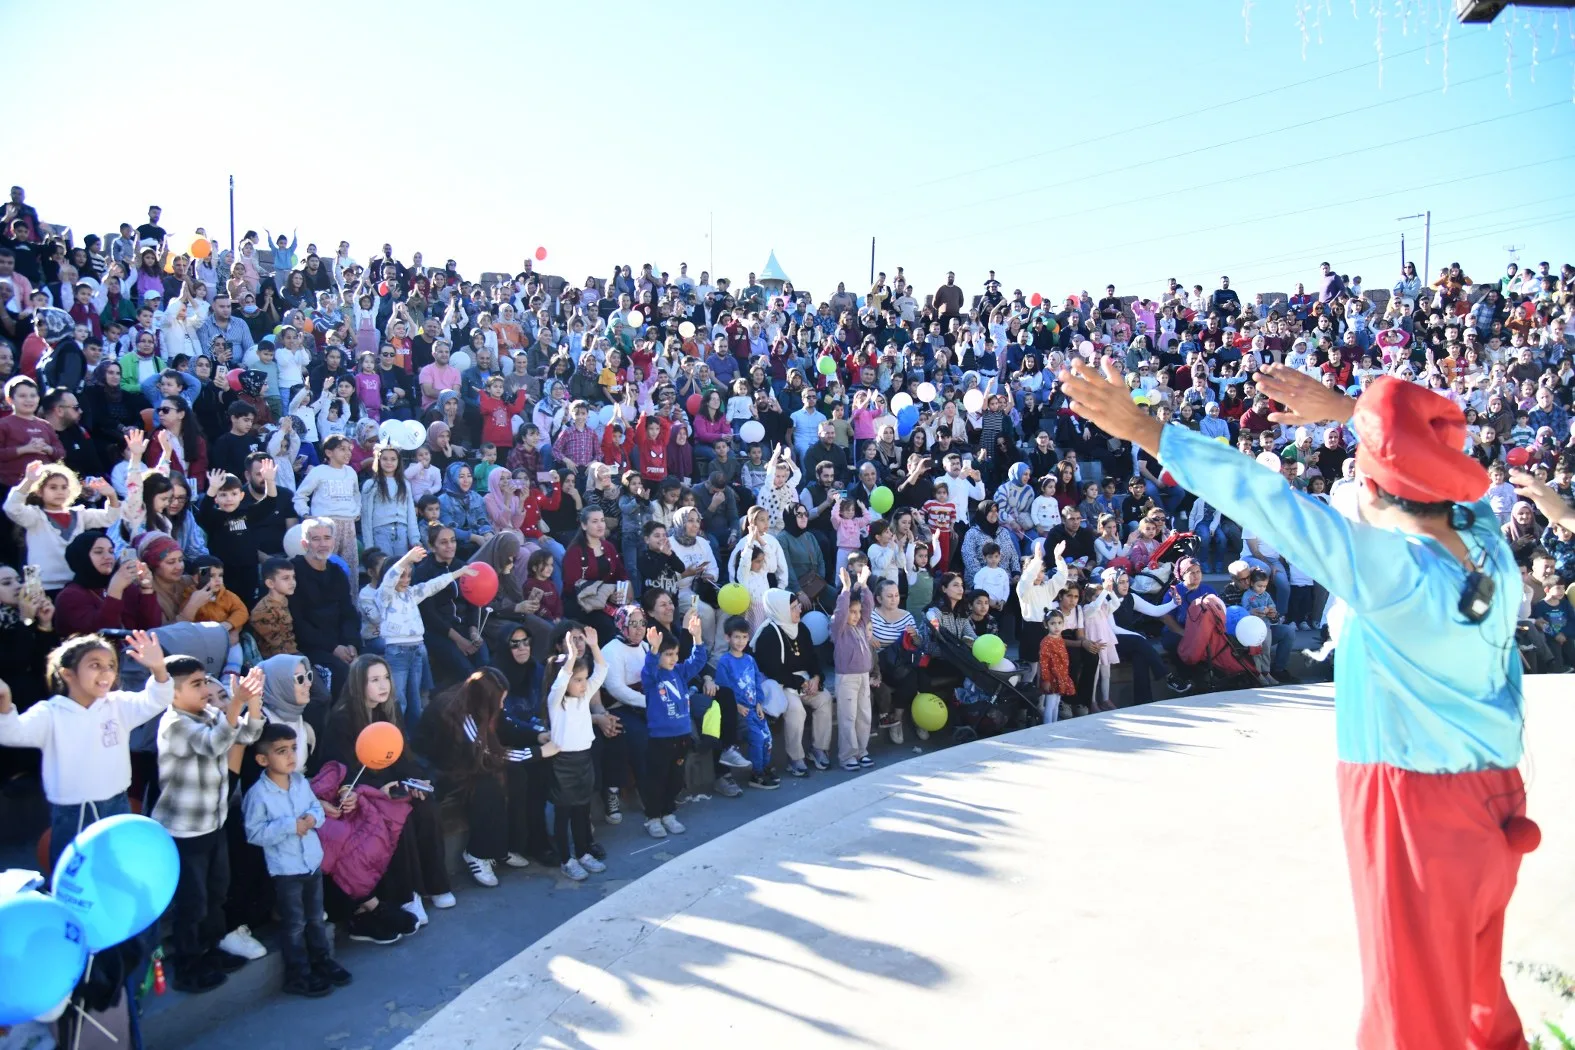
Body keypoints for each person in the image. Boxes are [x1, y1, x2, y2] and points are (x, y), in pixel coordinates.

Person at [1062, 359, 1536, 1049]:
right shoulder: (1487, 546)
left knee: (1412, 1017)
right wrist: (1354, 415)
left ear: (1371, 486)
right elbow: (1446, 481)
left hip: (1414, 811)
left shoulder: (1387, 572)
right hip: (1494, 799)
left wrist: (1143, 428)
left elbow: (1266, 500)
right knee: (1474, 998)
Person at [0, 630, 169, 865]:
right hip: (73, 812)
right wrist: (5, 703)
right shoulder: (50, 713)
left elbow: (157, 699)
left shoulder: (118, 704)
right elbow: (12, 733)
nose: (106, 672)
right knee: (74, 876)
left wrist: (158, 667)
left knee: (117, 868)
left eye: (111, 665)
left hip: (117, 805)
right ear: (67, 674)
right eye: (95, 665)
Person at [153, 663, 266, 993]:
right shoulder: (174, 724)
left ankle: (211, 949)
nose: (205, 690)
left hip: (213, 824)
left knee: (216, 891)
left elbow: (247, 734)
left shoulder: (210, 715)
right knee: (192, 902)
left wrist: (252, 700)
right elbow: (215, 744)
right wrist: (234, 703)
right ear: (173, 692)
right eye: (196, 684)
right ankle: (188, 966)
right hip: (185, 830)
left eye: (205, 682)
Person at [243, 722, 354, 998]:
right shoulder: (259, 795)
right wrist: (290, 826)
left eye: (293, 748)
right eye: (282, 751)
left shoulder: (301, 782)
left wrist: (313, 818)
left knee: (316, 917)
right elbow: (254, 833)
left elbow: (316, 807)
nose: (291, 756)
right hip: (286, 869)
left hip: (311, 863)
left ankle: (321, 960)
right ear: (262, 759)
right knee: (294, 924)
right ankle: (298, 974)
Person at [637, 606, 709, 838]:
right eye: (667, 655)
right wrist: (654, 650)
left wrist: (697, 637)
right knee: (656, 779)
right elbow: (648, 669)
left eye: (675, 654)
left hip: (681, 736)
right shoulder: (653, 676)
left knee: (674, 779)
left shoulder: (679, 671)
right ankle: (653, 817)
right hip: (660, 739)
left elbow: (698, 661)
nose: (673, 659)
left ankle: (668, 812)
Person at [544, 625, 608, 881]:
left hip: (584, 760)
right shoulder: (555, 701)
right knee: (564, 814)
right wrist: (571, 658)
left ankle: (583, 852)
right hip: (563, 764)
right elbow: (561, 682)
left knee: (583, 809)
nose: (583, 685)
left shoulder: (584, 698)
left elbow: (602, 670)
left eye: (584, 679)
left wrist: (594, 646)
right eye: (578, 680)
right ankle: (565, 858)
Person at [752, 588, 833, 777]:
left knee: (825, 698)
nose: (799, 611)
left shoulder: (801, 628)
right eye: (794, 608)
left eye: (798, 606)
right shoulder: (769, 634)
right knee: (796, 709)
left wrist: (816, 677)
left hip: (804, 680)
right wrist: (800, 682)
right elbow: (772, 670)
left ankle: (819, 748)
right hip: (783, 683)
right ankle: (795, 758)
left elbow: (813, 658)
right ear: (780, 609)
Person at [288, 518, 360, 698]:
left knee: (371, 668)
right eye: (316, 539)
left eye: (327, 538)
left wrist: (351, 644)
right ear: (305, 543)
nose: (323, 544)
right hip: (311, 646)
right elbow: (298, 621)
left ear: (334, 542)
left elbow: (348, 612)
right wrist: (333, 647)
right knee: (340, 672)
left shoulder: (337, 572)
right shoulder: (293, 572)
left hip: (342, 643)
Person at [712, 614, 779, 789]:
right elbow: (723, 688)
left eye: (744, 636)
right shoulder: (725, 662)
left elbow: (757, 682)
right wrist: (737, 706)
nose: (741, 641)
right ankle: (756, 773)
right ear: (727, 637)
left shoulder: (750, 659)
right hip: (741, 711)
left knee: (767, 737)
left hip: (754, 708)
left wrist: (759, 702)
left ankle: (764, 767)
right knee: (756, 738)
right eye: (736, 637)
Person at [831, 566, 875, 771]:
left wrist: (864, 584)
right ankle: (847, 754)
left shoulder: (860, 625)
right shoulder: (839, 629)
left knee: (864, 715)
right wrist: (846, 590)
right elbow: (841, 612)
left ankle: (861, 751)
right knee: (848, 717)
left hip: (863, 676)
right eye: (852, 612)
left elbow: (868, 606)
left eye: (858, 612)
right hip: (847, 678)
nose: (857, 616)